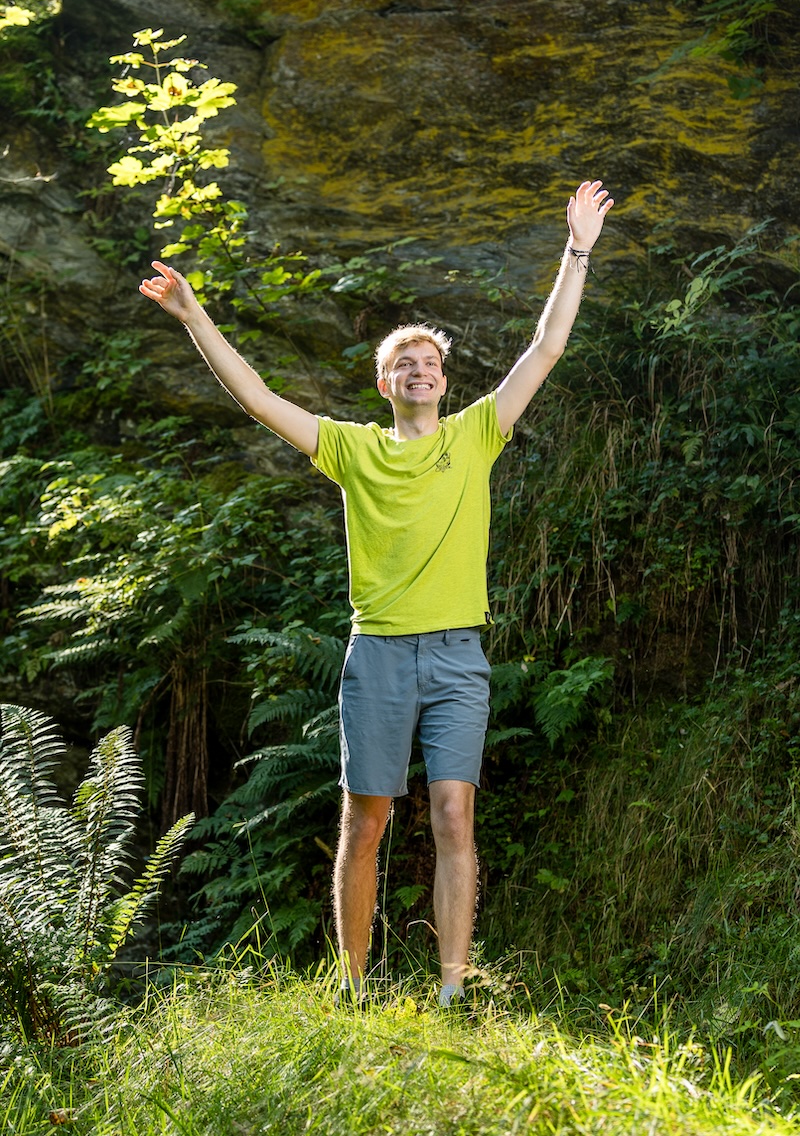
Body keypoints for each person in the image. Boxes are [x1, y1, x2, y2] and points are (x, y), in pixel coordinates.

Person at [139, 178, 614, 1006]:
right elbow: (257, 397)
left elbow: (544, 350)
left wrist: (576, 252)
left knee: (455, 817)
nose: (420, 370)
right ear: (385, 384)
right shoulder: (353, 450)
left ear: (443, 378)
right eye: (405, 364)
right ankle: (353, 988)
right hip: (380, 657)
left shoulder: (476, 437)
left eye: (430, 361)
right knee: (365, 822)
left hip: (459, 653)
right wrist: (194, 317)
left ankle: (453, 992)